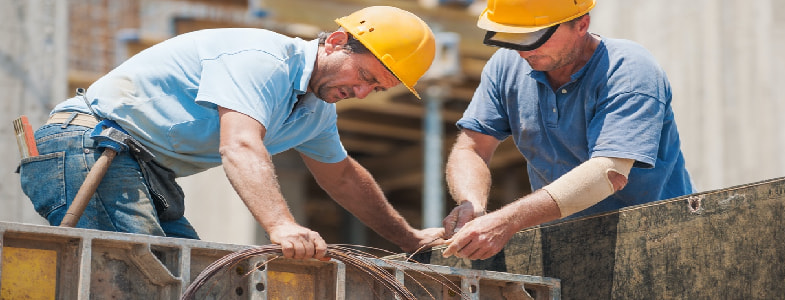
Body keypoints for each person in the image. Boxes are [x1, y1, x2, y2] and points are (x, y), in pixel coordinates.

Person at [19, 6, 443, 260]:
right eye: (365, 75)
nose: (362, 92)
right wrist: (281, 225)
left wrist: (410, 239)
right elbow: (239, 144)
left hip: (141, 169)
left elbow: (344, 178)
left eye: (377, 88)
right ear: (334, 41)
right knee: (139, 274)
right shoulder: (263, 60)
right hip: (89, 147)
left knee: (194, 278)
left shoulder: (315, 112)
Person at [441, 0, 694, 260]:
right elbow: (471, 147)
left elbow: (609, 172)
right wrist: (472, 205)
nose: (523, 52)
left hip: (658, 237)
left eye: (534, 37)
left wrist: (507, 221)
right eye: (513, 37)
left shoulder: (629, 70)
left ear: (582, 24)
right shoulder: (506, 66)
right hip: (565, 243)